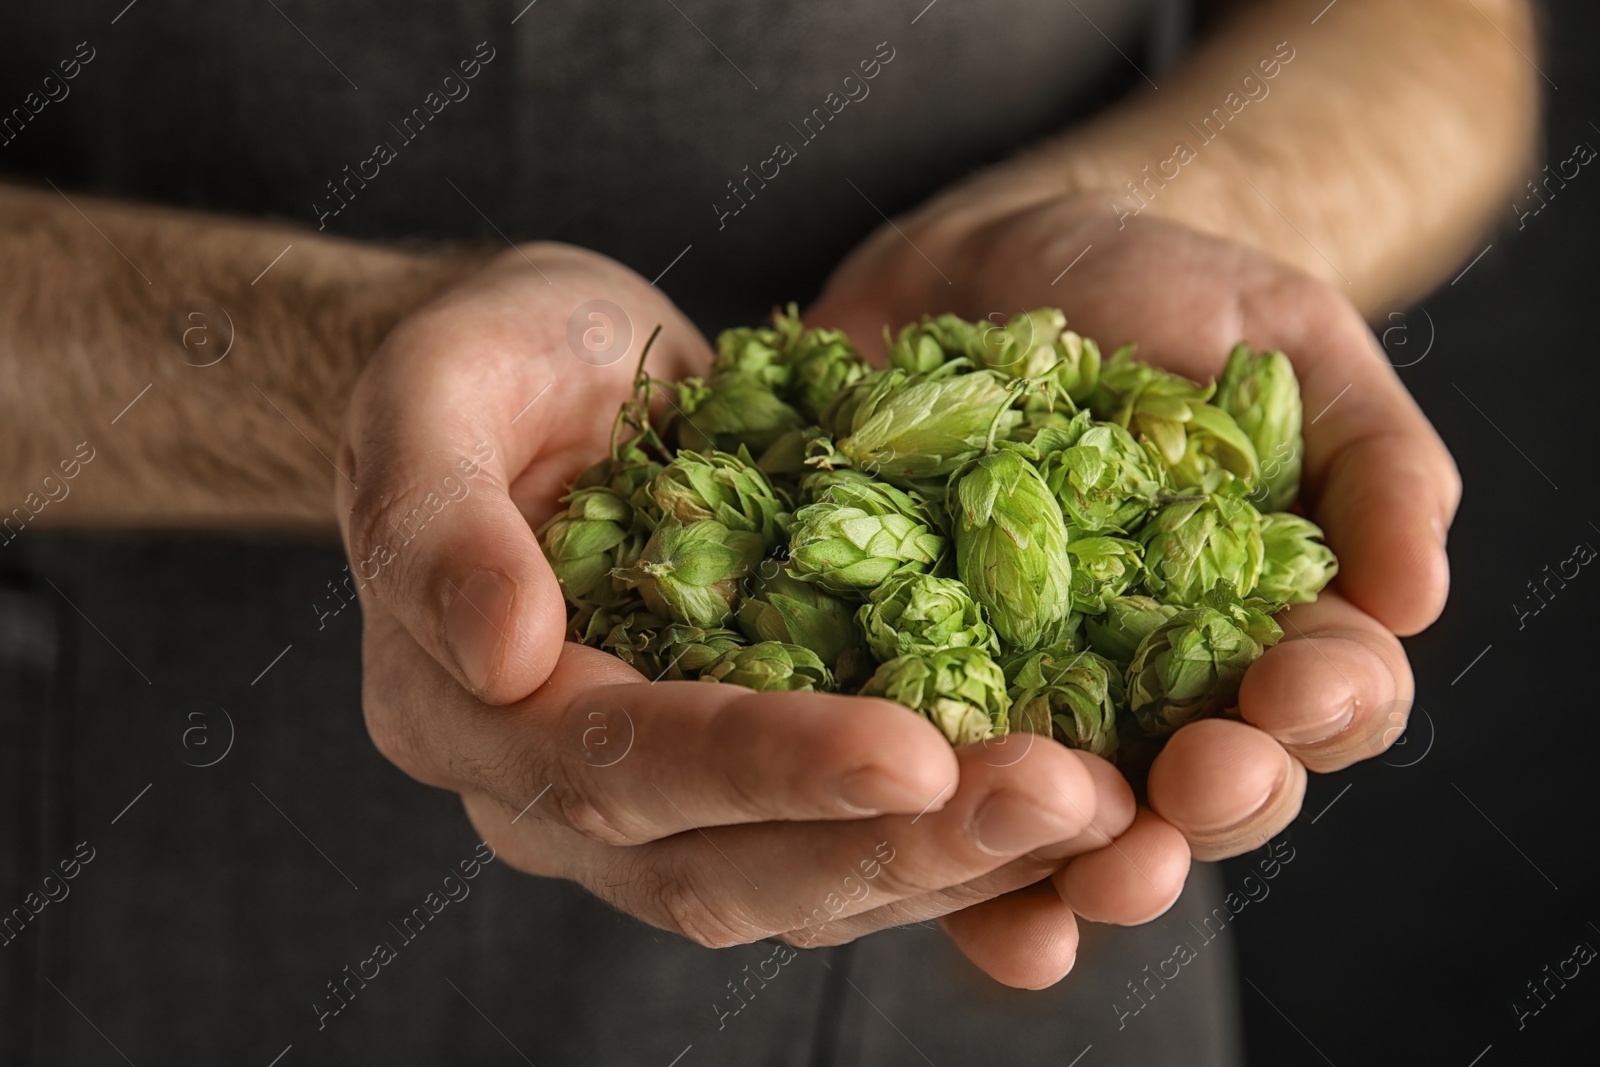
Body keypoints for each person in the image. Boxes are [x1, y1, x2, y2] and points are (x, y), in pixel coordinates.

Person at [0, 0, 1537, 1062]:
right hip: (127, 862)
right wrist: (342, 377)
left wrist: (1133, 217)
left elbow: (1441, 35)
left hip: (1000, 949)